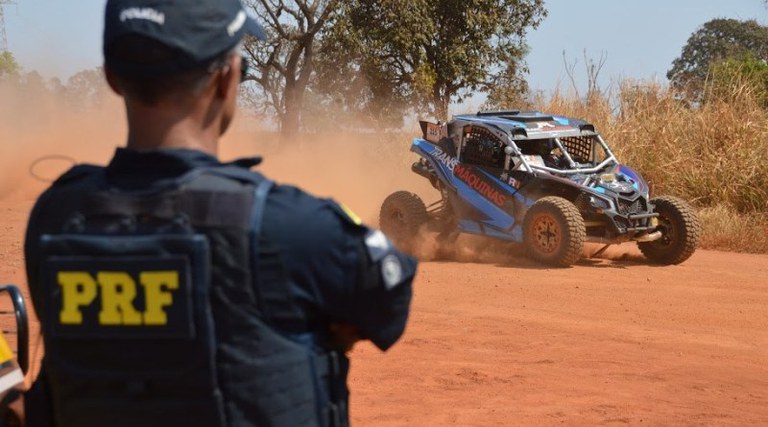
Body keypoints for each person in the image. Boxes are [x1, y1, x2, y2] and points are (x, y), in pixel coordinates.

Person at [22, 1, 416, 426]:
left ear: (112, 77)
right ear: (228, 76)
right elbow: (387, 308)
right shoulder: (293, 228)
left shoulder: (55, 217)